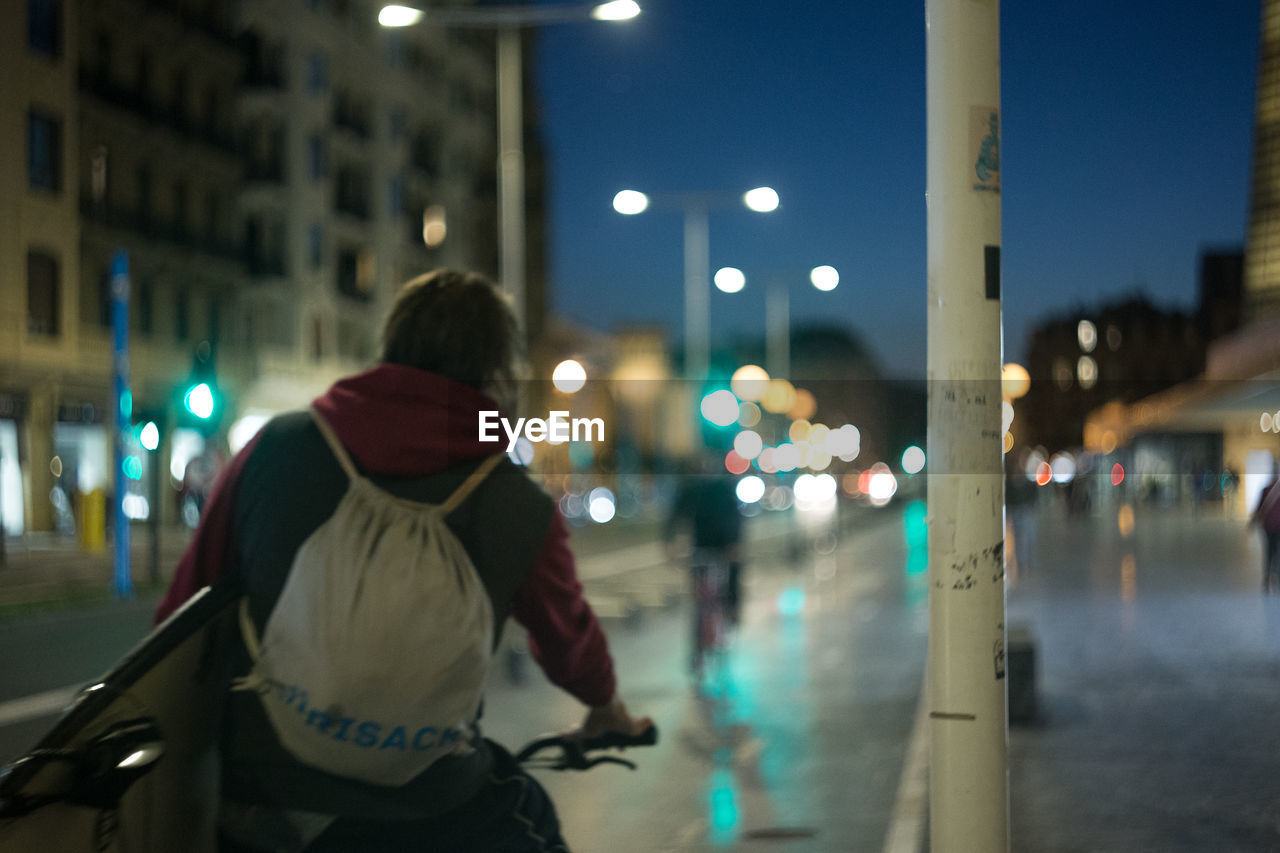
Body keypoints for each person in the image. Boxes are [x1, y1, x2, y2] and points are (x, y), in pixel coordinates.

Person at [155, 269, 650, 852]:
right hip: (431, 814)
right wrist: (605, 707)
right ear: (498, 373)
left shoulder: (277, 448)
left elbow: (182, 613)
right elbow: (570, 643)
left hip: (267, 808)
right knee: (532, 821)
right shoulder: (518, 505)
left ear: (389, 348)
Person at [662, 457, 745, 666]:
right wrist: (669, 543)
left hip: (721, 548)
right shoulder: (695, 490)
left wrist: (733, 544)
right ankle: (700, 645)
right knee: (700, 599)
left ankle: (733, 609)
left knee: (730, 580)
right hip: (702, 550)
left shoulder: (721, 490)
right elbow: (675, 517)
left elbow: (734, 518)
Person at [1250, 464, 1280, 593]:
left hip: (1268, 526)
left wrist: (1252, 521)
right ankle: (1276, 578)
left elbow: (1259, 507)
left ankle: (1267, 580)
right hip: (1277, 526)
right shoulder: (1268, 490)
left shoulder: (1265, 489)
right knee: (1277, 553)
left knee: (1268, 552)